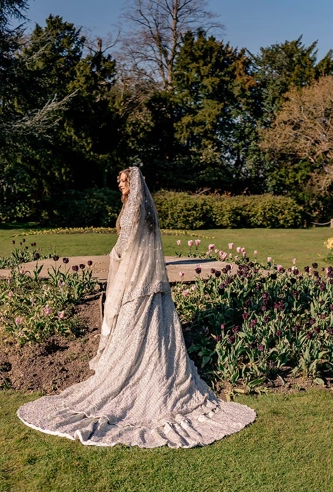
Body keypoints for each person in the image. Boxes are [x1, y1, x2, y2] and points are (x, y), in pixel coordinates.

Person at [17, 166, 256, 448]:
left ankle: (133, 380)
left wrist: (115, 256)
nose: (120, 186)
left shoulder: (132, 209)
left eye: (123, 181)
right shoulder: (145, 208)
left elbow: (126, 243)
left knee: (131, 328)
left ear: (133, 183)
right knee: (156, 333)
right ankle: (153, 374)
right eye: (119, 182)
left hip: (135, 281)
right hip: (153, 284)